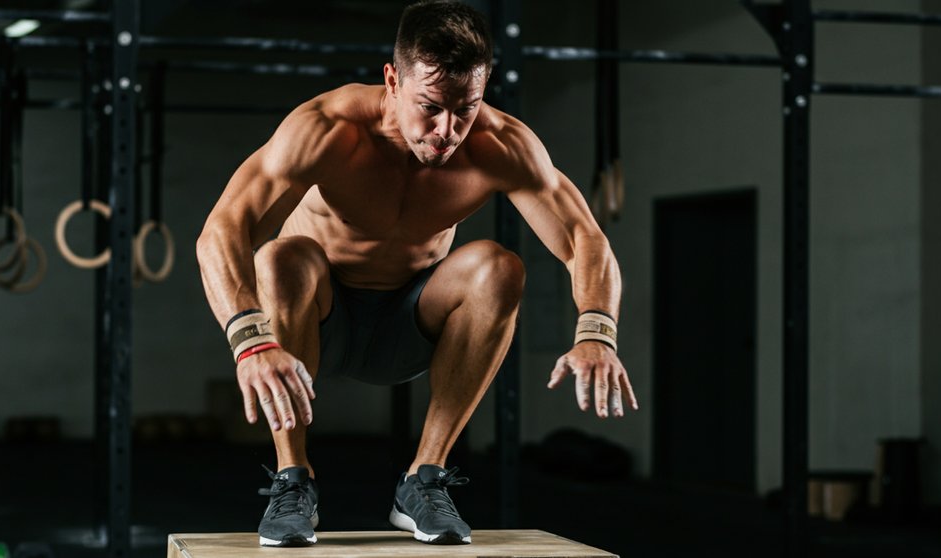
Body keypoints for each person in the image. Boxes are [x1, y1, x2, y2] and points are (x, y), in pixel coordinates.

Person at [196, 0, 637, 547]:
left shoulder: (500, 145)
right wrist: (249, 340)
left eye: (466, 109)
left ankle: (424, 479)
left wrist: (597, 329)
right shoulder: (327, 130)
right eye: (430, 106)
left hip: (413, 328)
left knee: (499, 267)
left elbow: (584, 238)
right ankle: (293, 481)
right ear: (393, 80)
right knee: (282, 257)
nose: (447, 130)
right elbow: (222, 231)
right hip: (318, 322)